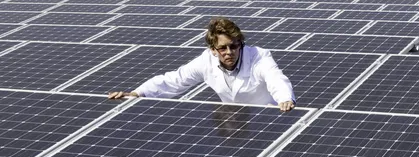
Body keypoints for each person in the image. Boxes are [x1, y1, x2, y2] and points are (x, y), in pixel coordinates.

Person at [108, 18, 296, 112]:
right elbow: (175, 80)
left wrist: (285, 98)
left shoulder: (258, 56)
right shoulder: (206, 61)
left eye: (234, 46)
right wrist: (137, 93)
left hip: (269, 117)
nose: (229, 52)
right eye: (223, 48)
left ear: (240, 44)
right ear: (213, 49)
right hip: (232, 122)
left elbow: (275, 78)